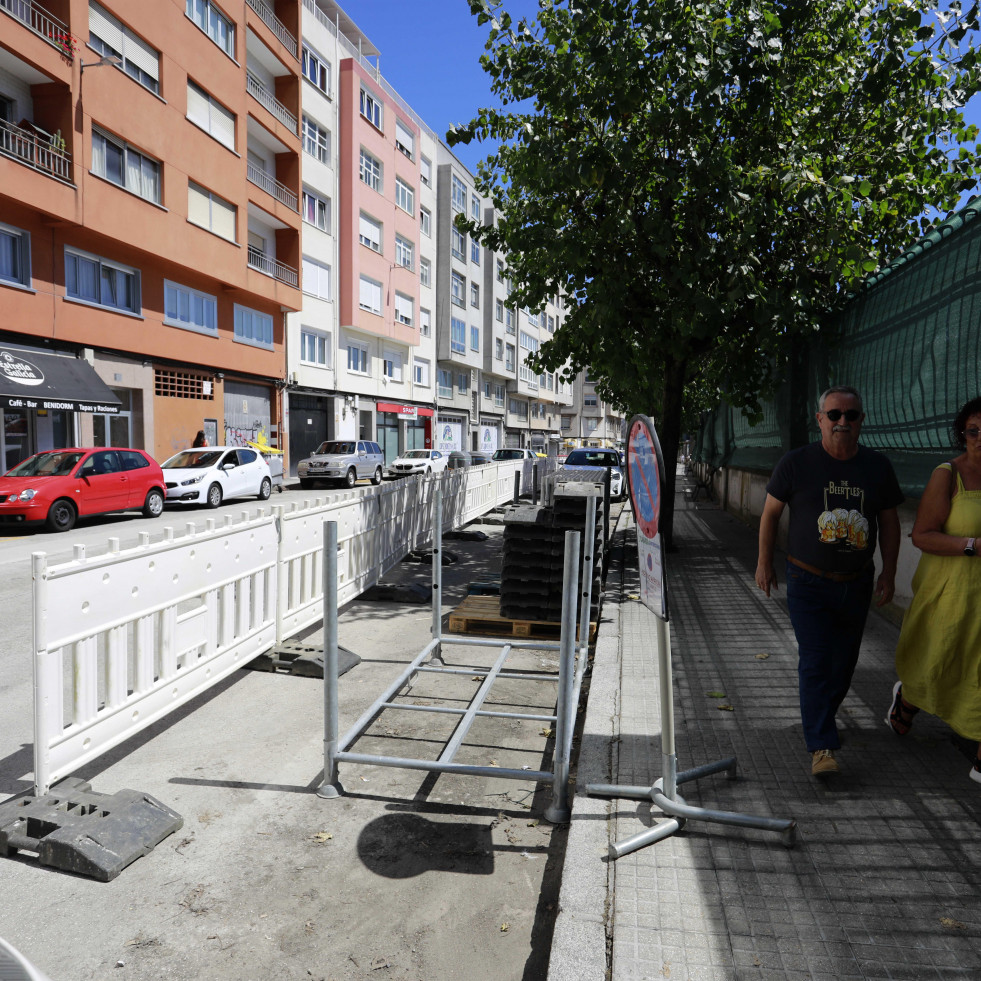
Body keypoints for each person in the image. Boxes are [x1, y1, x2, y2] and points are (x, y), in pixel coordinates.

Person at [755, 386, 903, 778]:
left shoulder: (877, 467)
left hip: (856, 583)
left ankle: (820, 718)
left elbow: (888, 523)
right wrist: (763, 563)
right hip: (807, 580)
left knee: (843, 664)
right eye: (834, 415)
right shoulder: (797, 463)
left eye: (851, 415)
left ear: (861, 422)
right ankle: (821, 745)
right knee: (817, 660)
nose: (842, 422)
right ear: (819, 419)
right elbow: (770, 514)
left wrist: (889, 571)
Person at [887, 396, 981, 784]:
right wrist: (972, 545)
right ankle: (907, 703)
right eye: (974, 431)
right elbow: (922, 536)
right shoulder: (948, 474)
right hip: (952, 592)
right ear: (963, 433)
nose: (980, 439)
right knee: (937, 662)